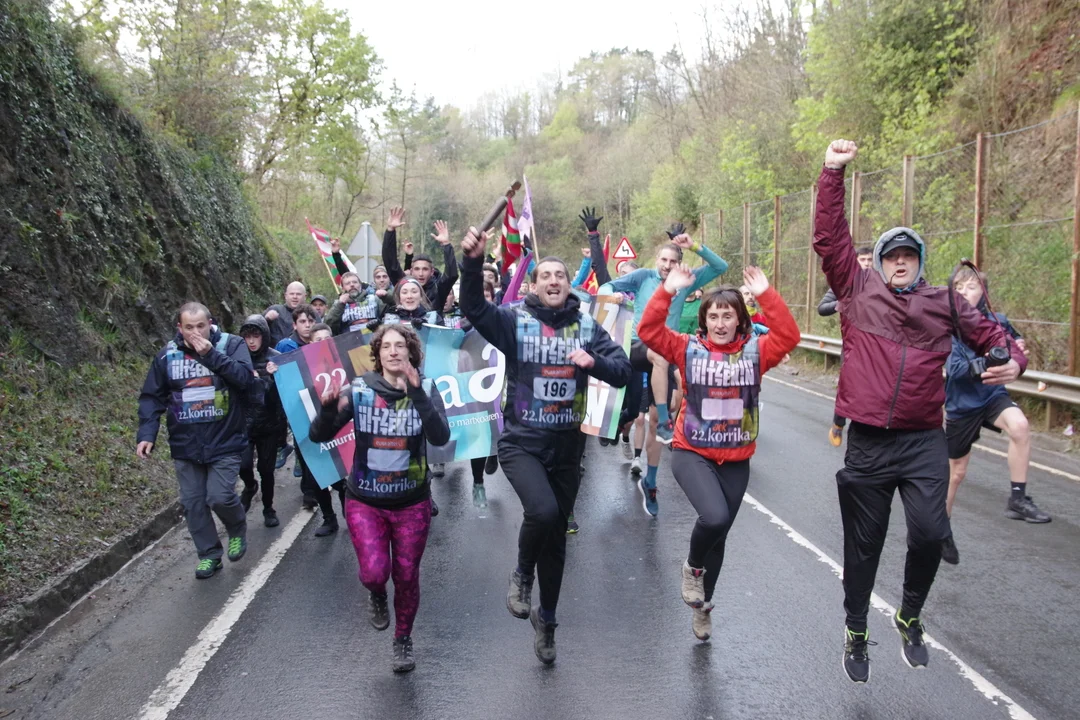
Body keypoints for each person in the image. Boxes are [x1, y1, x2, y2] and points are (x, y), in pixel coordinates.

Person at [815, 139, 1025, 684]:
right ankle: (856, 628)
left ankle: (910, 615)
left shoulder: (944, 302)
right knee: (864, 546)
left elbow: (995, 336)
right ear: (881, 263)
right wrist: (832, 171)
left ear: (920, 263)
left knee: (931, 533)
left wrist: (1014, 361)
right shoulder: (856, 290)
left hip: (923, 440)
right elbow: (829, 238)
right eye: (892, 255)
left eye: (909, 255)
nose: (900, 262)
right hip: (869, 442)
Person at [460, 226, 632, 665]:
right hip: (522, 443)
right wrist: (473, 262)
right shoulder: (514, 320)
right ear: (534, 285)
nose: (554, 281)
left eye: (560, 275)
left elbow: (622, 370)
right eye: (546, 276)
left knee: (556, 542)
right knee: (543, 511)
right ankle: (521, 575)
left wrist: (594, 361)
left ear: (569, 285)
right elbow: (474, 307)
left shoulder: (586, 326)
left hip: (568, 448)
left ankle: (548, 621)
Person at [640, 264, 799, 641]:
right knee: (713, 518)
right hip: (692, 451)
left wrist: (766, 295)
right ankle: (692, 569)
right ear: (704, 321)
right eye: (713, 316)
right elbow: (648, 331)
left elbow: (789, 336)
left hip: (736, 460)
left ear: (740, 320)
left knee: (719, 534)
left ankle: (703, 605)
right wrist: (668, 290)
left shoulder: (758, 352)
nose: (720, 323)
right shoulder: (686, 348)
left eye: (728, 316)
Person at [309, 324, 450, 673]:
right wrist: (327, 411)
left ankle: (403, 639)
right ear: (377, 354)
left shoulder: (426, 388)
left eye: (400, 345)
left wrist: (417, 394)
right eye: (386, 346)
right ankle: (376, 592)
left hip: (412, 503)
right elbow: (318, 435)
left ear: (411, 352)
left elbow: (440, 437)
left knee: (407, 575)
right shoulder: (359, 390)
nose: (393, 351)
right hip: (365, 501)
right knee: (374, 573)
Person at [598, 221, 729, 516]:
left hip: (664, 353)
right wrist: (611, 295)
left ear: (679, 264)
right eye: (664, 260)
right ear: (657, 260)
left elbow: (721, 266)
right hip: (636, 346)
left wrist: (694, 246)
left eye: (673, 261)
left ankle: (651, 481)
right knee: (637, 404)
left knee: (656, 419)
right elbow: (607, 285)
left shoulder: (686, 281)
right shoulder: (643, 276)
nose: (668, 266)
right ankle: (618, 422)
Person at [941, 267, 1049, 564]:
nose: (964, 292)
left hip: (992, 396)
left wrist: (1018, 351)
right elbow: (956, 370)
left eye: (972, 287)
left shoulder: (997, 321)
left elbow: (1015, 344)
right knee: (955, 473)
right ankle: (940, 529)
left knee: (1020, 427)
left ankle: (1018, 498)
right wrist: (988, 362)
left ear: (984, 293)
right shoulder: (948, 326)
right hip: (962, 404)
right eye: (958, 288)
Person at [136, 303, 253, 579]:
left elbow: (245, 380)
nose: (196, 332)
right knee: (193, 503)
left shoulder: (230, 345)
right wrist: (147, 434)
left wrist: (210, 355)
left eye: (201, 326)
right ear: (180, 328)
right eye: (189, 328)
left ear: (210, 323)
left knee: (220, 496)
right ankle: (209, 554)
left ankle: (237, 528)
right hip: (186, 443)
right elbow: (152, 397)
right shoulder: (167, 355)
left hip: (225, 438)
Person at [817, 247, 874, 447]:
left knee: (873, 387)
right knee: (848, 385)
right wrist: (842, 302)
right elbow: (822, 308)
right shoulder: (844, 284)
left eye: (870, 260)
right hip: (852, 345)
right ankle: (838, 423)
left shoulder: (882, 283)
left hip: (878, 346)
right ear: (855, 262)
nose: (867, 263)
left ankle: (869, 429)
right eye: (863, 259)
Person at [237, 314, 286, 527]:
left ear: (264, 336)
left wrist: (272, 378)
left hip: (269, 423)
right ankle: (250, 486)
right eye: (247, 336)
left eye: (255, 336)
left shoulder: (275, 358)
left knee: (267, 470)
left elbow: (282, 396)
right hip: (244, 423)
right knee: (243, 465)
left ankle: (268, 507)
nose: (251, 341)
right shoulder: (238, 357)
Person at [382, 209, 458, 311]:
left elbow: (451, 275)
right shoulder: (404, 283)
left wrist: (446, 244)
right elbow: (390, 263)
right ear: (411, 271)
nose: (421, 274)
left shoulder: (438, 290)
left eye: (425, 269)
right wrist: (390, 230)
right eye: (417, 269)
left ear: (432, 272)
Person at [264, 281, 307, 347]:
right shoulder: (275, 310)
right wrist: (267, 320)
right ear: (286, 296)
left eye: (298, 294)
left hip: (302, 351)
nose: (295, 297)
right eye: (291, 294)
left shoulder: (311, 315)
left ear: (305, 296)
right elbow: (256, 328)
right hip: (276, 351)